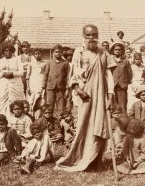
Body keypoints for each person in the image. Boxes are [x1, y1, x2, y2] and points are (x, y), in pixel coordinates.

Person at [54, 24, 116, 172]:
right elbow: (74, 74)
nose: (92, 38)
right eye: (88, 35)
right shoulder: (78, 52)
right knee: (84, 125)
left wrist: (111, 96)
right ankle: (80, 158)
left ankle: (95, 160)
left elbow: (108, 76)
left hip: (100, 95)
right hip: (85, 96)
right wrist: (77, 89)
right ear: (84, 37)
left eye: (94, 35)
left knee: (99, 125)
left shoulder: (103, 53)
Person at [0, 42, 25, 117]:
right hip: (3, 86)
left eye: (10, 50)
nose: (8, 52)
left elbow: (21, 72)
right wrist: (3, 74)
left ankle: (15, 120)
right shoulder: (0, 61)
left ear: (12, 51)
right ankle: (2, 120)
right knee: (1, 104)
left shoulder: (17, 60)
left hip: (15, 85)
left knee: (15, 103)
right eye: (6, 50)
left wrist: (13, 73)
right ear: (3, 52)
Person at [42, 44, 69, 116]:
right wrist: (43, 87)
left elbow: (68, 77)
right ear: (53, 52)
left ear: (62, 53)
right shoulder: (49, 62)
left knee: (61, 109)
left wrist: (67, 89)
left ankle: (59, 124)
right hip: (50, 88)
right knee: (49, 108)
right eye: (56, 52)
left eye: (60, 52)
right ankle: (49, 125)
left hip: (61, 89)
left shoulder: (65, 63)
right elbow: (46, 75)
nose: (58, 53)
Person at [110, 42, 132, 113]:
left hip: (122, 87)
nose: (117, 51)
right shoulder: (110, 61)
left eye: (119, 49)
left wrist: (125, 82)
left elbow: (130, 74)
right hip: (112, 86)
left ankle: (123, 122)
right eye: (116, 49)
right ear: (113, 51)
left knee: (122, 106)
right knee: (113, 105)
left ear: (122, 51)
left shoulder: (126, 61)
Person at [26, 48, 46, 119]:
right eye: (36, 54)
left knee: (40, 101)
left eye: (39, 53)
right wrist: (28, 87)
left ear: (42, 54)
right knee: (31, 101)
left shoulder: (45, 64)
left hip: (40, 84)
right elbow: (27, 76)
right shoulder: (30, 64)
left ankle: (39, 119)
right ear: (34, 55)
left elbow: (45, 75)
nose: (37, 55)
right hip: (32, 84)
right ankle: (31, 119)